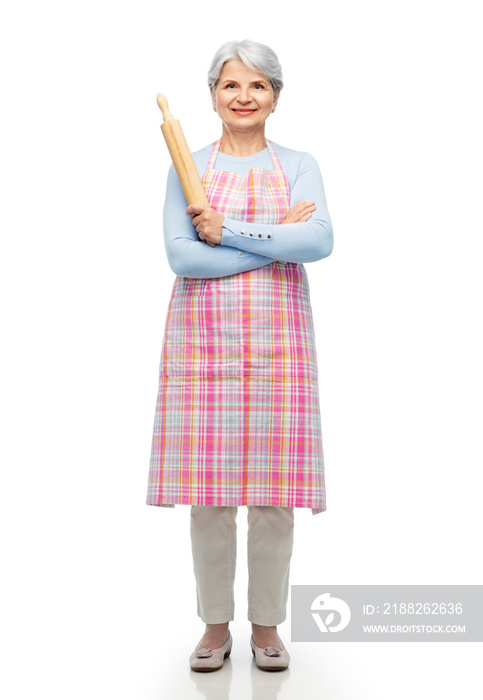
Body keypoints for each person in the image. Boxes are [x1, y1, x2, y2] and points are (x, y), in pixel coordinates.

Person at [146, 38, 333, 672]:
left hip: (279, 350)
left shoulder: (301, 164)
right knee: (211, 497)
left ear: (275, 97)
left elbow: (321, 240)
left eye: (257, 86)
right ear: (212, 96)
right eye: (231, 85)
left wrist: (228, 231)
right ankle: (213, 626)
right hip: (202, 347)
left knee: (275, 497)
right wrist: (280, 239)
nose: (244, 96)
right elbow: (182, 257)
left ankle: (268, 627)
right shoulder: (186, 167)